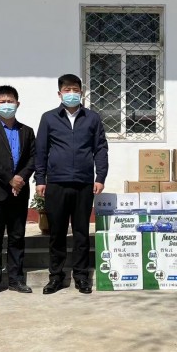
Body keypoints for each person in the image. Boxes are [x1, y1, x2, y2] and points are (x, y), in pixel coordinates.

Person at [35, 74, 109, 295]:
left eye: (75, 90)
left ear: (81, 92)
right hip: (56, 183)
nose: (71, 94)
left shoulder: (92, 118)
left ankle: (81, 276)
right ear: (59, 93)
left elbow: (100, 148)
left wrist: (100, 177)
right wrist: (40, 179)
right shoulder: (49, 118)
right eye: (67, 90)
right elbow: (41, 150)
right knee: (57, 233)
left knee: (81, 232)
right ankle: (56, 277)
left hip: (83, 183)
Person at [0, 85, 36, 297]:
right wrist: (10, 178)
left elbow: (33, 158)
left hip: (19, 192)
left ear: (17, 104)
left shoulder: (27, 131)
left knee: (17, 237)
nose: (6, 105)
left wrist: (21, 178)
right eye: (2, 102)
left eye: (10, 101)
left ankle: (16, 279)